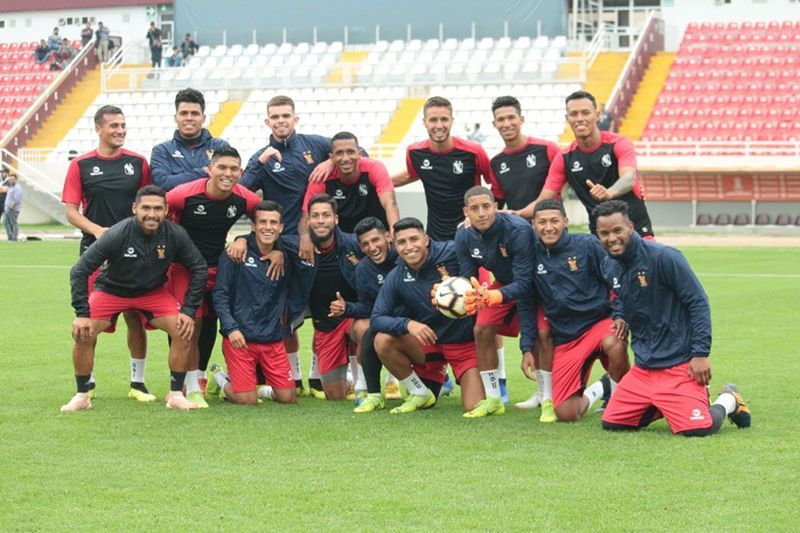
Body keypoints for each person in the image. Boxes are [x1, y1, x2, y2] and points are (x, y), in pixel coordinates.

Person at [593, 200, 752, 435]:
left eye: (617, 230)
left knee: (699, 429)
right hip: (644, 367)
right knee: (614, 423)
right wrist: (619, 315)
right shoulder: (611, 264)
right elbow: (621, 297)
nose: (612, 238)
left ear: (630, 227)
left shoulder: (664, 257)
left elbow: (697, 302)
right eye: (604, 233)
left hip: (679, 363)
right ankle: (665, 404)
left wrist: (700, 354)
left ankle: (729, 400)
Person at [61, 185, 208, 412]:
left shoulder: (175, 234)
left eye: (158, 208)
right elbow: (79, 270)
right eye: (146, 208)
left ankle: (176, 395)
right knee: (84, 332)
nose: (152, 213)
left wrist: (188, 311)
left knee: (183, 329)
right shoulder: (117, 234)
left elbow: (198, 267)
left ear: (167, 210)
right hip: (112, 291)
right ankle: (82, 395)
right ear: (134, 209)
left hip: (152, 293)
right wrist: (81, 314)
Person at [238, 95, 333, 394]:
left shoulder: (315, 145)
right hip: (282, 246)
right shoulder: (263, 156)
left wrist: (330, 160)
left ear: (295, 118)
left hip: (316, 244)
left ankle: (318, 375)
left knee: (322, 312)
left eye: (286, 116)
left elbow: (354, 152)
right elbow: (240, 192)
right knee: (285, 316)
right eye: (275, 117)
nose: (281, 121)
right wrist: (258, 162)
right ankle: (291, 376)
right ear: (267, 122)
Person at [61, 105, 153, 401]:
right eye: (113, 125)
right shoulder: (81, 165)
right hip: (95, 252)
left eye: (123, 125)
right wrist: (99, 231)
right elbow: (71, 211)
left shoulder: (138, 163)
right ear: (98, 128)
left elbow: (148, 204)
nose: (120, 130)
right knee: (89, 318)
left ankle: (137, 383)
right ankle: (86, 382)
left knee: (135, 316)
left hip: (135, 252)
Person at [164, 147, 260, 407]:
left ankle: (201, 378)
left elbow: (266, 222)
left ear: (241, 172)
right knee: (188, 327)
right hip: (185, 268)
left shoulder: (245, 198)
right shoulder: (183, 194)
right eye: (222, 168)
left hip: (219, 267)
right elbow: (153, 215)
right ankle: (189, 387)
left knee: (212, 324)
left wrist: (243, 239)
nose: (228, 174)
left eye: (234, 169)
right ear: (209, 169)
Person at [528, 199, 630, 422]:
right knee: (566, 413)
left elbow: (618, 281)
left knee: (616, 341)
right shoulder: (530, 253)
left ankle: (618, 398)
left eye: (554, 221)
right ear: (533, 224)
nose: (548, 227)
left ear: (566, 221)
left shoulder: (587, 245)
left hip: (598, 323)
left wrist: (620, 315)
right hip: (566, 337)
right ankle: (601, 388)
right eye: (542, 222)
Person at [489, 95, 560, 410]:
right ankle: (539, 391)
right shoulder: (497, 162)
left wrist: (518, 217)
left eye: (510, 118)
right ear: (494, 124)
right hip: (519, 248)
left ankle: (551, 391)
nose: (506, 124)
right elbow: (496, 205)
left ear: (521, 118)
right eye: (500, 120)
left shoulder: (546, 150)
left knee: (548, 318)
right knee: (529, 312)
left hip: (549, 243)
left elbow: (554, 192)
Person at [372, 217, 483, 415]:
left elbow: (480, 252)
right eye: (402, 242)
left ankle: (491, 381)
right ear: (395, 246)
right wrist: (408, 324)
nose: (409, 247)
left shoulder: (453, 253)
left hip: (463, 344)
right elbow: (377, 317)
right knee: (382, 340)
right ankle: (420, 391)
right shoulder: (397, 275)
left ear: (426, 239)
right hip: (428, 343)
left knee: (474, 407)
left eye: (414, 239)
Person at [518, 91, 655, 240]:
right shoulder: (564, 158)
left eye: (585, 113)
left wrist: (609, 193)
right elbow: (543, 200)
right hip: (602, 239)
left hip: (637, 231)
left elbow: (629, 178)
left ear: (597, 115)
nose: (580, 119)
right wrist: (517, 213)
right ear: (567, 118)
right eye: (574, 114)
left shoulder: (619, 144)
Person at [454, 186, 537, 418]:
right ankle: (493, 398)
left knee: (543, 334)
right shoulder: (463, 234)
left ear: (496, 208)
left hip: (537, 284)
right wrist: (468, 294)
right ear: (466, 212)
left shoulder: (518, 230)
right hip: (503, 283)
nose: (481, 213)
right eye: (474, 208)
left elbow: (525, 281)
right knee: (481, 328)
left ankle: (545, 395)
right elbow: (468, 274)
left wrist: (493, 296)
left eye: (486, 207)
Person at [208, 201, 297, 405]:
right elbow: (220, 294)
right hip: (241, 338)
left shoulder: (285, 257)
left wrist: (280, 251)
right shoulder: (235, 253)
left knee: (288, 398)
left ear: (281, 227)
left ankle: (261, 389)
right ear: (254, 226)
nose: (268, 226)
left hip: (272, 338)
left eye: (273, 222)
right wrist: (231, 329)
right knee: (247, 402)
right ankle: (220, 378)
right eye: (263, 222)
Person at [328, 217, 410, 412]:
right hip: (383, 322)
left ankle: (438, 377)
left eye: (375, 240)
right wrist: (346, 308)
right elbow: (367, 306)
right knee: (363, 328)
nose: (372, 247)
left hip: (411, 323)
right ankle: (363, 388)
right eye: (365, 244)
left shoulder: (405, 258)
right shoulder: (363, 269)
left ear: (388, 237)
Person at [392, 96, 499, 241]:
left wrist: (487, 213)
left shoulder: (473, 151)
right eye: (433, 120)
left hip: (472, 231)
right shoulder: (414, 152)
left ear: (452, 121)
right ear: (424, 122)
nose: (439, 125)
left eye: (444, 119)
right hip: (436, 235)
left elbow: (496, 182)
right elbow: (412, 174)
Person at [297, 194, 363, 400]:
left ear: (336, 219)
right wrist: (241, 241)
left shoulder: (355, 244)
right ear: (308, 221)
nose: (321, 220)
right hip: (326, 325)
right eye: (315, 216)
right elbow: (270, 244)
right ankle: (349, 380)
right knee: (335, 395)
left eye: (326, 215)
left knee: (366, 330)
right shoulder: (297, 247)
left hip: (353, 315)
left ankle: (366, 385)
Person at [302, 131, 399, 233]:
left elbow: (390, 204)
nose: (345, 158)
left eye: (350, 152)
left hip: (375, 235)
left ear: (359, 154)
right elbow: (306, 214)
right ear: (332, 158)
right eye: (339, 153)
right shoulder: (321, 176)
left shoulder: (374, 167)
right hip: (341, 239)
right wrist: (306, 238)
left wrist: (396, 233)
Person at [150, 88, 229, 191]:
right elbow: (162, 184)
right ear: (175, 117)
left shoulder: (220, 147)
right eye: (184, 113)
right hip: (177, 207)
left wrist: (179, 178)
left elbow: (227, 180)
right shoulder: (162, 151)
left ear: (204, 118)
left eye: (195, 113)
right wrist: (203, 172)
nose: (189, 118)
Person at [3, 174, 22, 242]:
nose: (11, 181)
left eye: (13, 179)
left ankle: (14, 238)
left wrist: (11, 208)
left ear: (16, 180)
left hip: (13, 209)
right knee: (5, 222)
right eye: (10, 179)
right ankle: (10, 237)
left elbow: (17, 200)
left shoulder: (17, 188)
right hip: (7, 209)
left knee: (13, 223)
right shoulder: (11, 187)